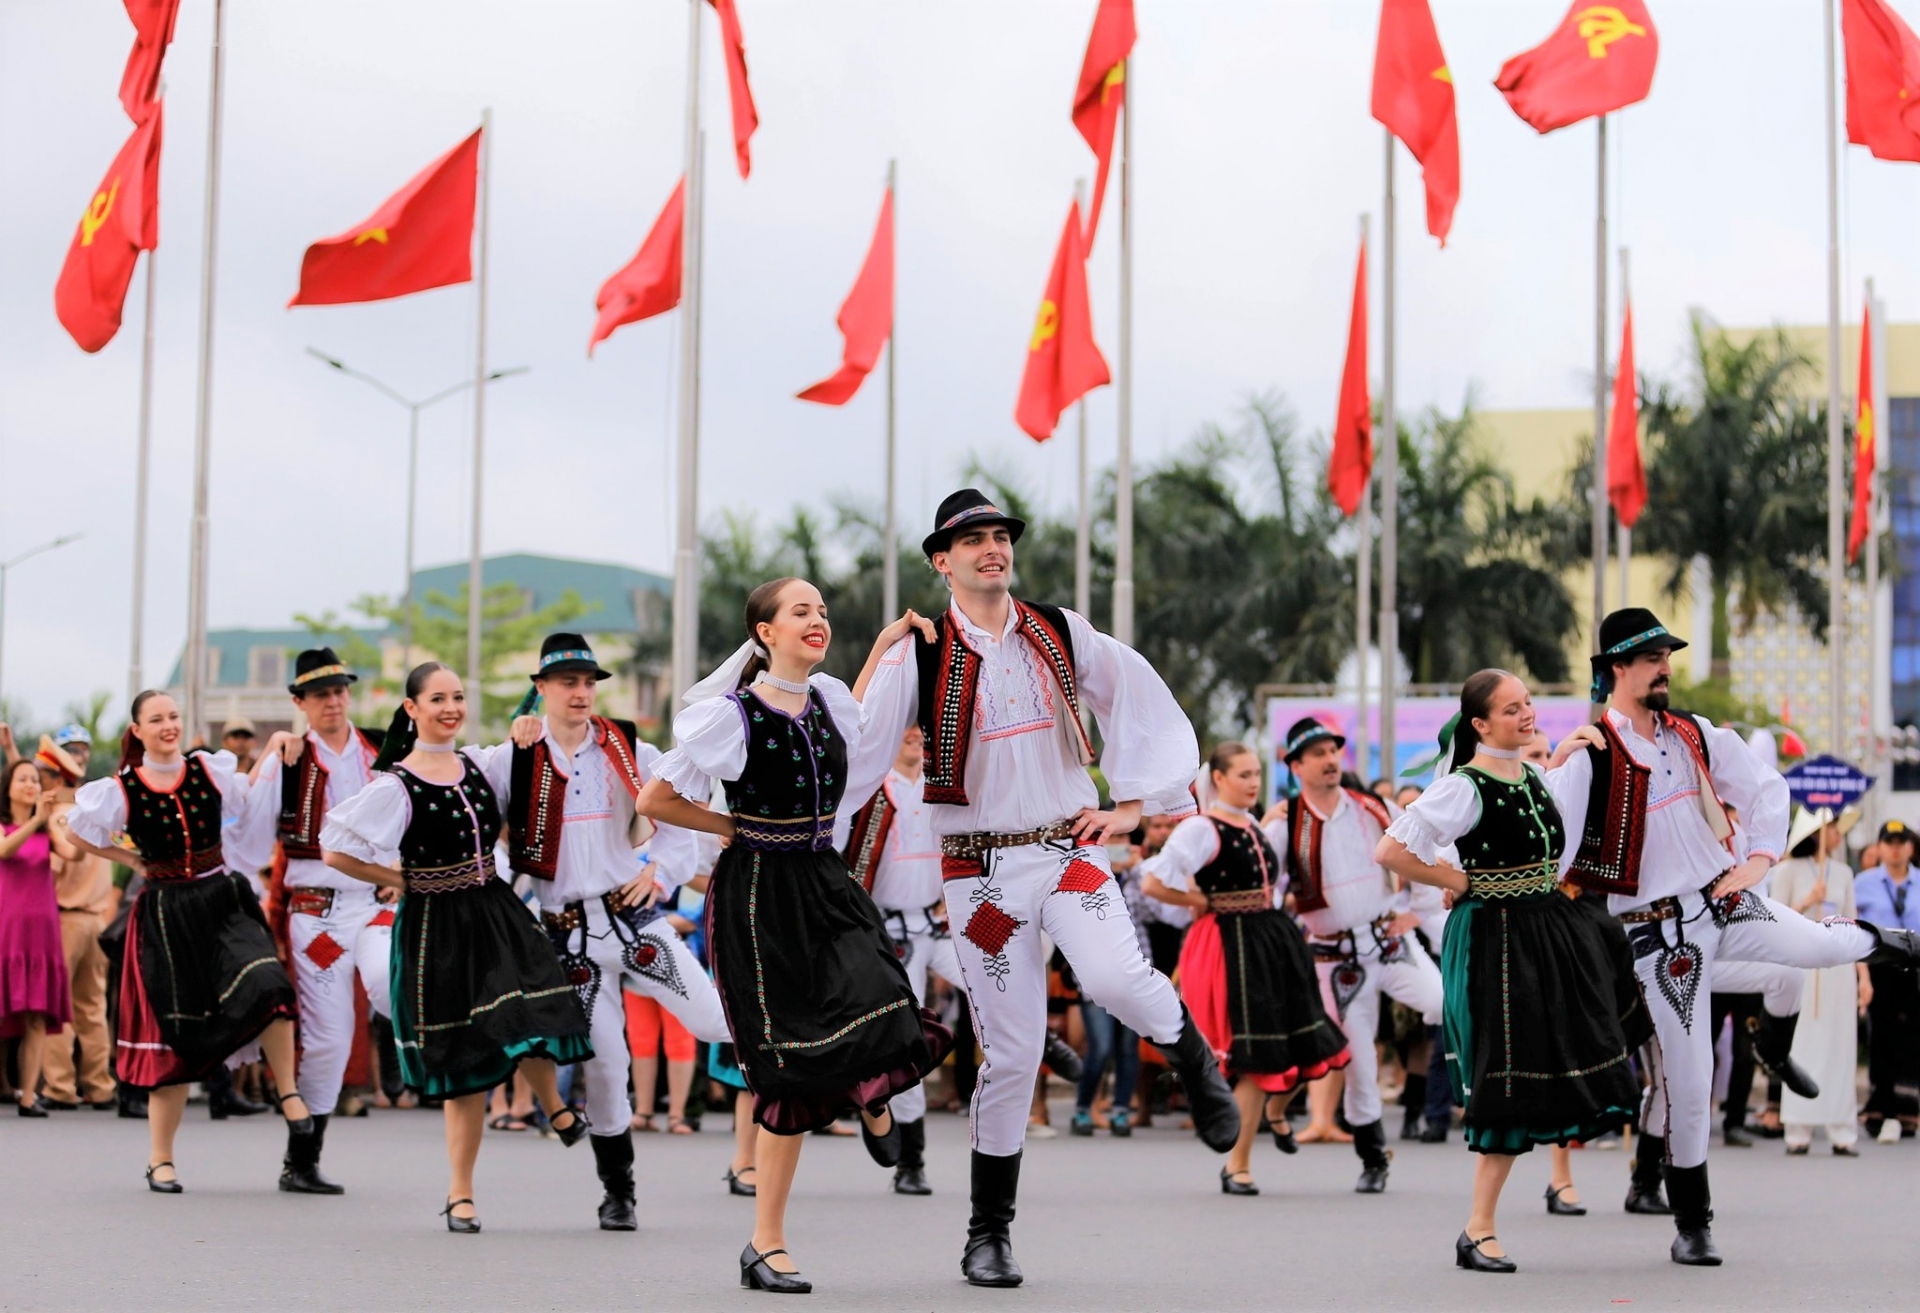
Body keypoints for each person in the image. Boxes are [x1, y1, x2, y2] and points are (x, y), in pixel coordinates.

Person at [854, 489, 1237, 1289]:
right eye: (972, 539)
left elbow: (1138, 696)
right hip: (978, 874)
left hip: (1067, 849)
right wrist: (881, 649)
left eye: (1000, 535)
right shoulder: (918, 655)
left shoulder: (1059, 630)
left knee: (1114, 975)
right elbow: (855, 749)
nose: (992, 547)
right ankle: (988, 1233)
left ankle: (1192, 1057)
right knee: (1013, 1051)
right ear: (942, 560)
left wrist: (1132, 803)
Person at [1546, 607, 1920, 1266]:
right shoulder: (1589, 756)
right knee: (1691, 1084)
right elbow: (1553, 848)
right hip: (1659, 936)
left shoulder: (1694, 733)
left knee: (1811, 951)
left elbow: (1767, 788)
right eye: (1652, 657)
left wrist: (1759, 859)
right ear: (1617, 668)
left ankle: (1866, 976)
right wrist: (1553, 766)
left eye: (1667, 655)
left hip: (1725, 900)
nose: (1665, 667)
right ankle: (1692, 1223)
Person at [636, 579, 950, 1294]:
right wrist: (728, 826)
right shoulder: (731, 716)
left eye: (823, 611)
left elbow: (858, 727)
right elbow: (655, 798)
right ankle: (766, 1243)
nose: (818, 620)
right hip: (757, 894)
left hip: (824, 877)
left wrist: (884, 643)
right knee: (788, 1067)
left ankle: (871, 1096)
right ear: (765, 632)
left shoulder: (830, 698)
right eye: (801, 611)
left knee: (887, 996)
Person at [1378, 670, 1651, 1274]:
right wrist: (1457, 879)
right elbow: (1391, 850)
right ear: (1479, 724)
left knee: (1568, 1046)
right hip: (1494, 941)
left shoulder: (1530, 775)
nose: (1526, 713)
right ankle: (1478, 1229)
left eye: (1527, 703)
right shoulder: (1464, 786)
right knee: (1505, 1075)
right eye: (1510, 709)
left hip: (1543, 930)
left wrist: (1563, 754)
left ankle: (1575, 1180)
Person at [318, 662, 594, 1233]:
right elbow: (333, 848)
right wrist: (395, 879)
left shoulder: (479, 763)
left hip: (493, 909)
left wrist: (527, 728)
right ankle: (461, 1193)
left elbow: (538, 754)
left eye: (458, 697)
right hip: (435, 925)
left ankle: (553, 1105)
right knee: (465, 1058)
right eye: (438, 699)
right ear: (412, 708)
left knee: (528, 1007)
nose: (451, 708)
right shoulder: (396, 784)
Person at [480, 632, 731, 1231]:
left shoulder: (628, 747)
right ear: (541, 688)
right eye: (568, 682)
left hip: (633, 920)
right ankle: (619, 1192)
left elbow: (677, 817)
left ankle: (821, 1070)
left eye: (589, 682)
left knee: (713, 1018)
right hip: (567, 937)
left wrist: (657, 871)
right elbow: (460, 800)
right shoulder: (511, 758)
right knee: (605, 1067)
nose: (581, 692)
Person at [64, 690, 307, 1193]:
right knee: (172, 1036)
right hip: (167, 911)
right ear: (138, 730)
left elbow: (248, 794)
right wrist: (129, 859)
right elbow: (75, 831)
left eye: (173, 716)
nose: (168, 725)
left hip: (222, 898)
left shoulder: (208, 768)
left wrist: (273, 745)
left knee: (269, 983)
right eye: (157, 719)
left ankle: (288, 1094)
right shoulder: (121, 789)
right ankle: (161, 1159)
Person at [1142, 741, 1350, 1195]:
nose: (1254, 782)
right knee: (1255, 1055)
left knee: (1312, 1038)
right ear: (1218, 778)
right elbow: (1153, 883)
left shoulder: (1254, 822)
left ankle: (1275, 1113)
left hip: (1272, 939)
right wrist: (1198, 899)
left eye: (1256, 774)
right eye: (1244, 775)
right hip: (1231, 944)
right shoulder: (1201, 829)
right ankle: (1237, 1165)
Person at [227, 648, 392, 1194]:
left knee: (390, 985)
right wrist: (268, 759)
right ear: (299, 702)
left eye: (340, 690)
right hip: (318, 915)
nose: (334, 701)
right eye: (321, 694)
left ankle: (431, 1070)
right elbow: (248, 840)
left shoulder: (381, 751)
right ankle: (302, 1157)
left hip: (375, 906)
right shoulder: (288, 759)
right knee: (329, 1038)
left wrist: (401, 870)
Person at [1262, 716, 1443, 1193]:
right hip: (1334, 958)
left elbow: (1423, 846)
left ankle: (1471, 1093)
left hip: (1389, 940)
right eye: (1317, 754)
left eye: (1333, 751)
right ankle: (1373, 1158)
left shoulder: (1373, 806)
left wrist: (1418, 912)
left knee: (1441, 1001)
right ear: (1295, 766)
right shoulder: (1285, 824)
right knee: (1359, 1063)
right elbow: (1264, 885)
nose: (1329, 760)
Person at [839, 723, 964, 1195]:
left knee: (997, 981)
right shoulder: (867, 787)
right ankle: (911, 1160)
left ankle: (1044, 1044)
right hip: (887, 934)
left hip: (938, 924)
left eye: (922, 726)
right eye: (907, 725)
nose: (916, 734)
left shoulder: (945, 784)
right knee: (905, 1039)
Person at [1772, 809, 1868, 1155]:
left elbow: (1854, 926)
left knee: (1840, 1046)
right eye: (1831, 828)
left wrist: (1863, 975)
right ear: (1814, 832)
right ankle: (1797, 1130)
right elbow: (1773, 918)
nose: (1837, 834)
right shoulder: (1787, 871)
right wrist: (1807, 902)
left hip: (1838, 969)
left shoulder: (1843, 873)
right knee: (1800, 1043)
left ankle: (1842, 1130)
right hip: (1802, 965)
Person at [35, 732, 120, 1112]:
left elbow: (57, 864)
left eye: (42, 773)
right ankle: (100, 1086)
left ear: (55, 777)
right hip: (97, 920)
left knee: (59, 1008)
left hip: (65, 920)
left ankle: (60, 1086)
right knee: (92, 1008)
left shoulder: (57, 816)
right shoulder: (95, 815)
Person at [1, 757, 74, 1115]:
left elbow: (73, 854)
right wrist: (35, 820)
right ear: (7, 788)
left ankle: (28, 1096)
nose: (30, 784)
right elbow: (4, 849)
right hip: (6, 929)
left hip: (41, 932)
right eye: (22, 779)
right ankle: (6, 1084)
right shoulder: (7, 826)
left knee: (36, 1014)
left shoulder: (48, 830)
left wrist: (81, 825)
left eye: (34, 779)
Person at [1855, 819, 1920, 1142]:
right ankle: (1881, 1108)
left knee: (1911, 1036)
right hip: (1879, 964)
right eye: (1889, 843)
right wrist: (1863, 977)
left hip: (1914, 964)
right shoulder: (1864, 883)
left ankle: (1907, 1109)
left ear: (1910, 847)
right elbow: (1853, 930)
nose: (1895, 849)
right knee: (1880, 1036)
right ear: (1879, 847)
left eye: (1900, 843)